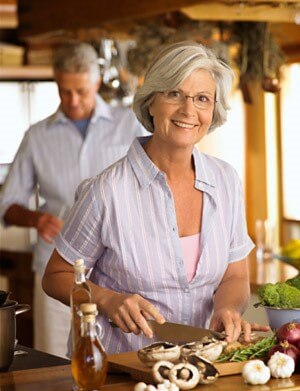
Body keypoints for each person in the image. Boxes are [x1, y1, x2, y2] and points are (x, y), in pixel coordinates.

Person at [42, 41, 269, 356]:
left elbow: (235, 274)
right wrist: (106, 299)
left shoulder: (225, 181)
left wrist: (227, 309)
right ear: (150, 102)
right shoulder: (106, 191)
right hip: (117, 373)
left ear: (213, 110)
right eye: (174, 94)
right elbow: (55, 276)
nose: (188, 110)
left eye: (202, 98)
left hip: (197, 369)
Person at [0, 42, 146, 357]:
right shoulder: (37, 136)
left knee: (117, 362)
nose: (73, 100)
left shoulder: (130, 125)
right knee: (53, 365)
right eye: (65, 91)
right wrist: (34, 219)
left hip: (118, 271)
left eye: (81, 90)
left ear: (96, 83)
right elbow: (7, 204)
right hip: (55, 271)